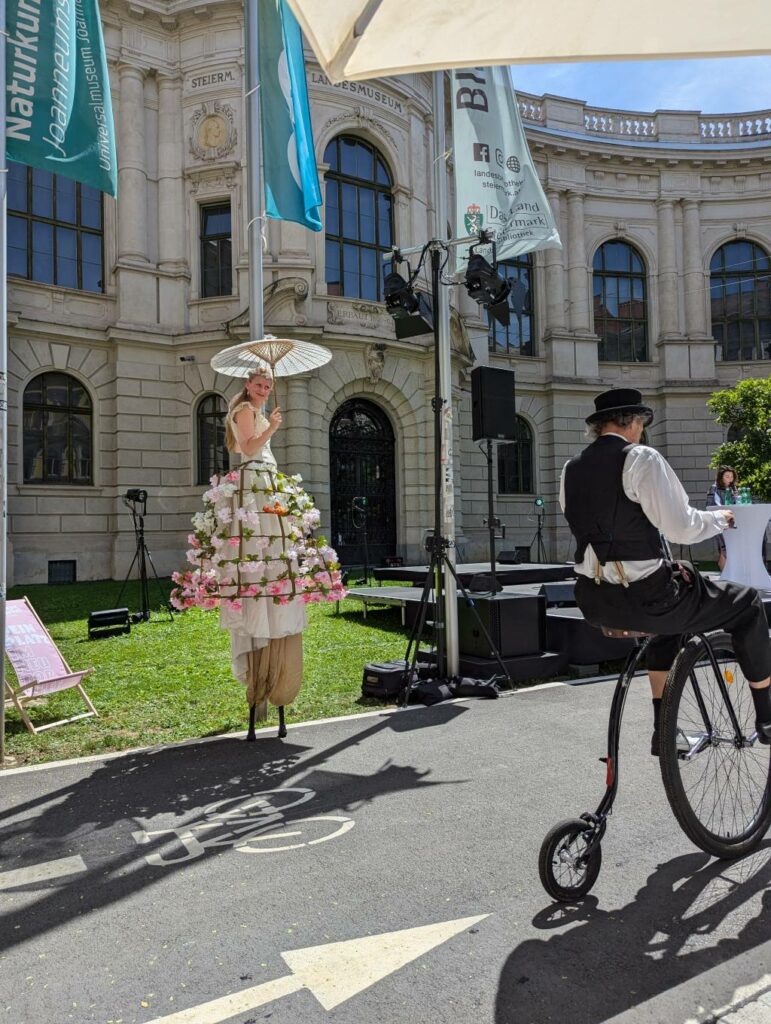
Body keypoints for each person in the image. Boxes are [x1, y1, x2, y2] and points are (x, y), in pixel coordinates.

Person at [560, 388, 771, 756]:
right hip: (648, 598)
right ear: (634, 422)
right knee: (749, 603)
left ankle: (664, 731)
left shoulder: (571, 469)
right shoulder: (641, 458)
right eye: (641, 424)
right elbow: (681, 528)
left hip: (595, 601)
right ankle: (767, 717)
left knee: (665, 627)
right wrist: (719, 519)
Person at [706, 466, 739, 570]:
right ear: (721, 477)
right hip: (720, 522)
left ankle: (727, 573)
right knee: (724, 548)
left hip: (732, 523)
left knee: (728, 548)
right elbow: (711, 505)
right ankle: (725, 573)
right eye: (727, 476)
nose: (730, 479)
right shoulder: (714, 488)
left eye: (732, 476)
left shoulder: (733, 488)